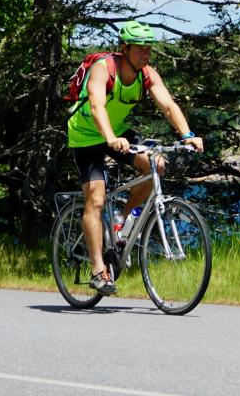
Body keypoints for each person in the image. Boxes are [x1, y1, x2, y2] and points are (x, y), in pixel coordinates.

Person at [66, 20, 204, 295]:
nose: (145, 53)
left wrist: (188, 134)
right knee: (96, 199)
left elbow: (168, 105)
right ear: (125, 48)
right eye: (139, 48)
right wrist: (109, 138)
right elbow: (97, 106)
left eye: (148, 48)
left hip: (117, 132)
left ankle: (123, 218)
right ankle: (98, 270)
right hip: (85, 135)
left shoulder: (147, 74)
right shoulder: (104, 69)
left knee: (157, 165)